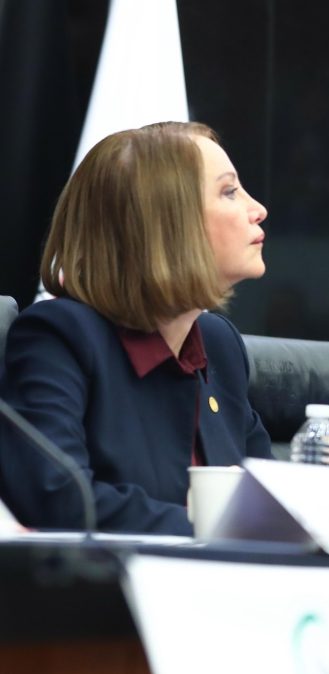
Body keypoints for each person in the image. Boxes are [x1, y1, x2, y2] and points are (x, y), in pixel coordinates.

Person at [0, 122, 272, 535]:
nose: (257, 209)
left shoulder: (218, 344)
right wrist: (212, 534)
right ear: (164, 224)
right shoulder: (61, 336)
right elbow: (58, 499)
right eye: (229, 192)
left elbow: (270, 500)